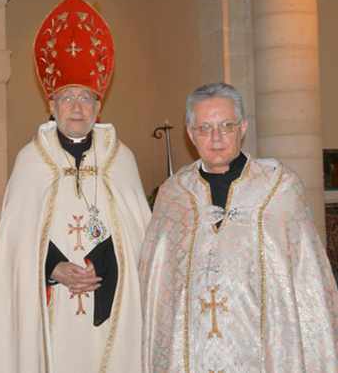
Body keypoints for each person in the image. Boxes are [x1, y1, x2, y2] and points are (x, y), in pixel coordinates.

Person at [0, 0, 152, 373]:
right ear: (51, 105)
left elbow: (139, 240)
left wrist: (102, 263)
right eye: (67, 97)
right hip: (52, 306)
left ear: (98, 107)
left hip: (112, 304)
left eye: (86, 98)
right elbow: (17, 245)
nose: (77, 107)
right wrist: (53, 267)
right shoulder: (30, 161)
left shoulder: (121, 160)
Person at [139, 82, 338, 372]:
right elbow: (158, 287)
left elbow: (309, 279)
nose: (216, 137)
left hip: (263, 350)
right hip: (193, 353)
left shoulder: (279, 187)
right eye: (205, 128)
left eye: (226, 126)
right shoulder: (173, 195)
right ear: (190, 133)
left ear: (242, 127)